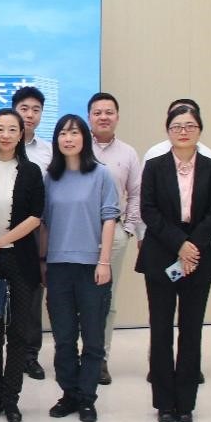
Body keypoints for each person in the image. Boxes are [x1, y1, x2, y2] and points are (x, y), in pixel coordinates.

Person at [135, 105, 211, 422]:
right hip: (162, 255)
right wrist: (179, 244)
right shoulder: (154, 166)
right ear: (168, 131)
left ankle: (185, 403)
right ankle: (164, 403)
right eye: (177, 126)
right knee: (160, 331)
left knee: (191, 330)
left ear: (199, 130)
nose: (183, 131)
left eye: (189, 126)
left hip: (198, 257)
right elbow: (148, 210)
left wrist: (192, 246)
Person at [42, 114, 117, 422]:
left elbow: (109, 218)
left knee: (93, 338)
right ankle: (69, 393)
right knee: (63, 337)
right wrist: (43, 261)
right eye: (63, 133)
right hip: (58, 267)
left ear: (85, 138)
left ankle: (87, 397)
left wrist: (104, 261)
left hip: (91, 267)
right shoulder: (50, 178)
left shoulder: (101, 175)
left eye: (74, 133)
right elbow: (44, 224)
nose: (68, 138)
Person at [0, 109, 45, 422]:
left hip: (21, 260)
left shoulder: (31, 171)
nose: (5, 135)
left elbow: (35, 216)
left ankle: (12, 399)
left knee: (19, 331)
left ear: (20, 134)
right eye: (0, 129)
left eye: (12, 129)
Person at [87, 92, 141, 386]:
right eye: (97, 112)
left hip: (115, 233)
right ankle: (78, 354)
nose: (103, 117)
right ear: (89, 117)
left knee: (106, 299)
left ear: (117, 117)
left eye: (109, 112)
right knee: (78, 297)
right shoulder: (77, 146)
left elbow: (136, 194)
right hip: (80, 234)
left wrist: (129, 229)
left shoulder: (128, 153)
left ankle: (100, 358)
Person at [12, 86, 52, 381]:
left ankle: (30, 355)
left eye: (35, 109)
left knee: (33, 292)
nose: (29, 114)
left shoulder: (49, 151)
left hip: (35, 230)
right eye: (24, 108)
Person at [141, 98, 211, 163]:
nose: (183, 132)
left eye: (189, 125)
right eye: (176, 114)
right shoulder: (154, 153)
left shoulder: (209, 155)